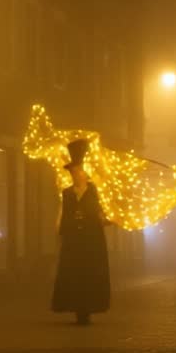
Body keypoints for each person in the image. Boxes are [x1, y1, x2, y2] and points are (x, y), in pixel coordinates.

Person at [51, 139, 112, 325]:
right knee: (74, 274)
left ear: (84, 173)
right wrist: (62, 234)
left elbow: (103, 213)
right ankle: (77, 307)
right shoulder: (67, 193)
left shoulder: (95, 191)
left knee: (89, 273)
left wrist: (105, 218)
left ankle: (88, 307)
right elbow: (64, 215)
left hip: (91, 239)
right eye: (73, 172)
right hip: (74, 240)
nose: (75, 175)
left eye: (78, 171)